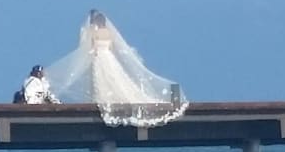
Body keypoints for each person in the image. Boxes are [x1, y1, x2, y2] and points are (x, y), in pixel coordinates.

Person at [44, 9, 188, 127]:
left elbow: (88, 47)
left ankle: (100, 100)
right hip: (108, 57)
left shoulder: (93, 32)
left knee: (100, 80)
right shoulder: (109, 33)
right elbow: (112, 47)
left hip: (99, 58)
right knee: (115, 79)